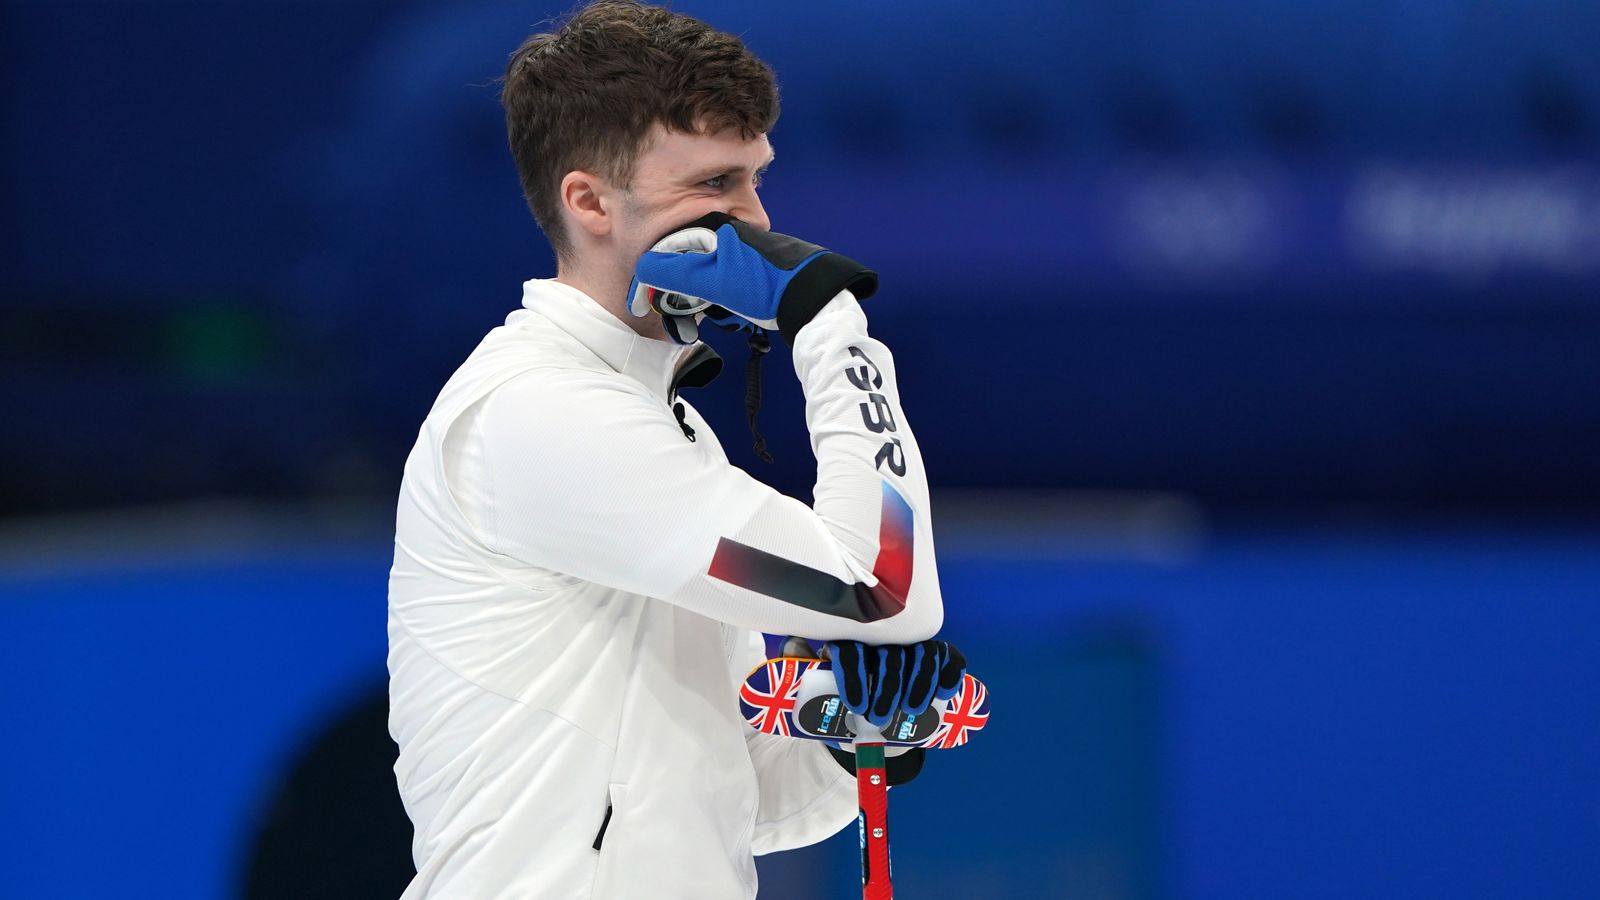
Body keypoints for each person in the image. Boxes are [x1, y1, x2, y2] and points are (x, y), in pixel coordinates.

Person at [387, 2, 967, 896]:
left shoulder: (661, 425)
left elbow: (758, 804)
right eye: (713, 187)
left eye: (754, 180)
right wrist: (829, 323)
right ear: (588, 201)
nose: (753, 222)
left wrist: (858, 733)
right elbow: (882, 590)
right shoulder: (540, 414)